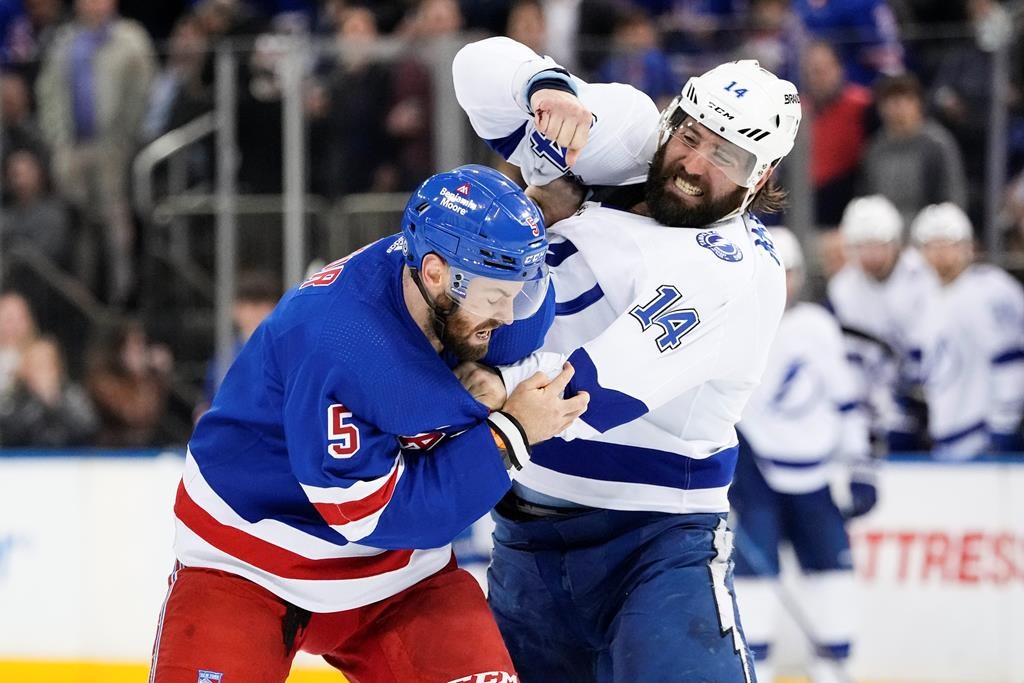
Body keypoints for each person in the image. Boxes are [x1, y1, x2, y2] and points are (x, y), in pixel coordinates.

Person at [148, 165, 590, 683]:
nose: (511, 316)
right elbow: (373, 515)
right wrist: (510, 432)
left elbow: (531, 343)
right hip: (249, 558)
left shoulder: (485, 291)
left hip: (400, 579)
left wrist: (500, 376)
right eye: (496, 297)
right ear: (433, 273)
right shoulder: (339, 345)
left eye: (518, 292)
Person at [453, 37, 802, 681]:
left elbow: (580, 397)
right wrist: (546, 88)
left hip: (655, 548)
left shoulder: (732, 273)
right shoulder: (628, 141)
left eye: (726, 155)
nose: (693, 164)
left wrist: (446, 372)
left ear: (761, 177)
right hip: (525, 540)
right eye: (691, 136)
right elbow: (475, 70)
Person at [730, 228, 875, 683]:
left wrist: (861, 466)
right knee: (755, 580)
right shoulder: (735, 323)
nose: (783, 282)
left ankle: (833, 671)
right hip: (754, 471)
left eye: (790, 272)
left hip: (815, 474)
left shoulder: (816, 326)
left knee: (832, 572)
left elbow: (845, 401)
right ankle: (757, 673)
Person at [826, 195, 939, 451]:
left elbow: (931, 343)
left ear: (895, 243)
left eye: (878, 245)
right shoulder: (842, 288)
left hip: (925, 389)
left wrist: (913, 388)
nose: (872, 255)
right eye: (863, 247)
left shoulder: (921, 277)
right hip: (876, 394)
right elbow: (850, 357)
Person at [911, 203, 1024, 457]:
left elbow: (1011, 364)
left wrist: (1004, 426)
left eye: (948, 244)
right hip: (944, 437)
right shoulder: (925, 296)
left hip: (984, 435)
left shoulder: (990, 290)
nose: (940, 254)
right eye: (932, 245)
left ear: (969, 247)